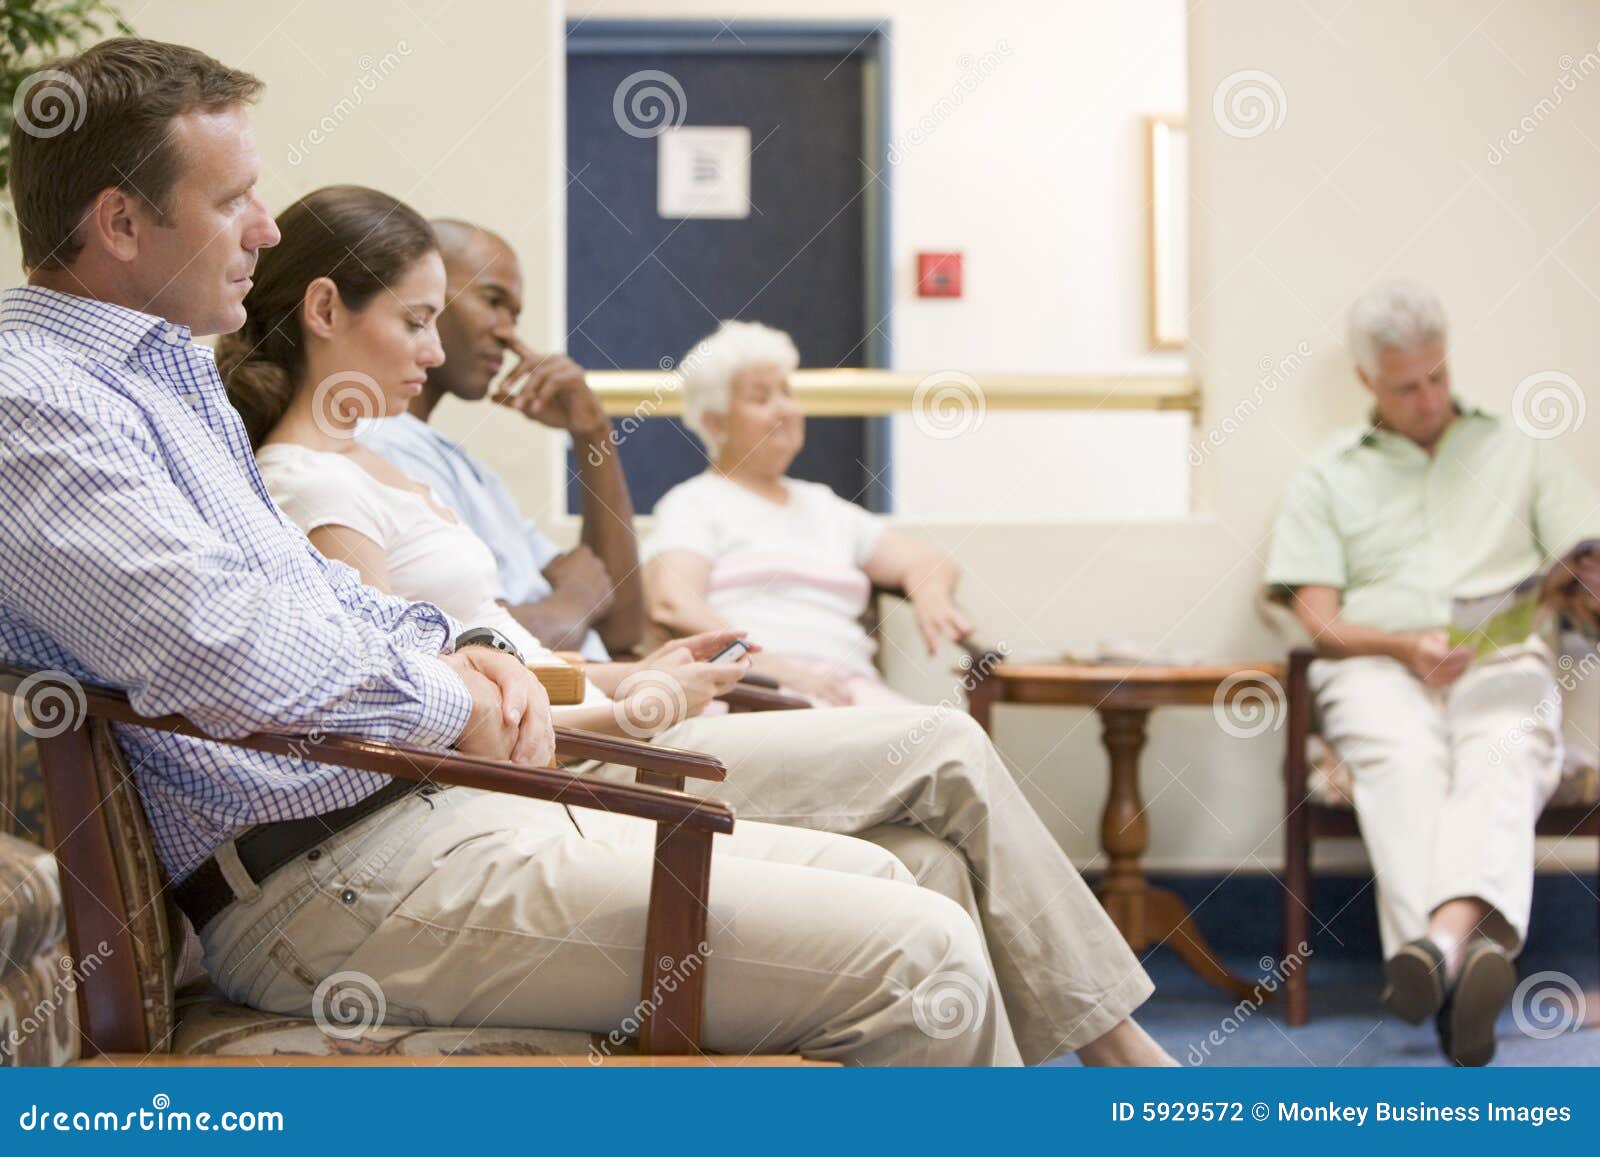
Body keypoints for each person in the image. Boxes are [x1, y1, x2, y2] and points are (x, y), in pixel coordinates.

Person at [0, 40, 1020, 1066]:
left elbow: (312, 598)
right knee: (921, 957)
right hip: (329, 879)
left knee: (910, 883)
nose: (265, 227)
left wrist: (464, 656)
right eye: (234, 200)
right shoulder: (35, 400)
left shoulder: (160, 373)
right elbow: (225, 645)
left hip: (409, 817)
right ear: (121, 223)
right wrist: (462, 697)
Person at [223, 189, 1175, 1066]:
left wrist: (626, 679)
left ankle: (1085, 1063)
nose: (433, 352)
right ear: (324, 312)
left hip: (528, 756)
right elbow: (415, 721)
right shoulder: (312, 480)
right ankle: (1115, 1053)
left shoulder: (389, 469)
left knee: (924, 858)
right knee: (941, 768)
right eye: (415, 321)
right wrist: (634, 706)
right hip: (480, 797)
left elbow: (495, 663)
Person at [1264, 276, 1600, 1066]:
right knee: (1404, 764)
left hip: (1500, 654)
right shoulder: (1325, 474)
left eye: (1438, 375)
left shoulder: (1517, 448)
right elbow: (1318, 614)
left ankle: (1439, 952)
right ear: (1366, 382)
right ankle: (1468, 969)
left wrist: (1577, 582)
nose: (1429, 397)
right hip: (1378, 665)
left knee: (1507, 745)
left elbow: (1584, 562)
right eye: (1407, 385)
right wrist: (1400, 645)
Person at [644, 320, 972, 707]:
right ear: (715, 423)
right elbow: (672, 602)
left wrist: (930, 593)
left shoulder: (823, 506)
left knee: (952, 736)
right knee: (947, 741)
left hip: (846, 691)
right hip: (755, 694)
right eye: (761, 398)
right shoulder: (694, 503)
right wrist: (772, 667)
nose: (783, 409)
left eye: (786, 392)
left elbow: (928, 560)